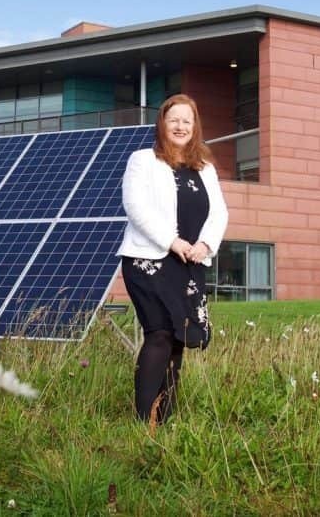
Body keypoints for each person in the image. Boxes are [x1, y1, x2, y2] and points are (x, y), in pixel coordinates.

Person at [117, 94, 228, 424]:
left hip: (189, 264)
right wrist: (173, 241)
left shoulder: (205, 169)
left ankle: (162, 420)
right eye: (173, 120)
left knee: (179, 339)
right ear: (162, 124)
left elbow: (219, 212)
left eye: (187, 121)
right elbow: (135, 207)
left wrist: (205, 245)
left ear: (195, 128)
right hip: (148, 261)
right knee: (160, 333)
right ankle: (144, 421)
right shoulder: (143, 160)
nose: (180, 126)